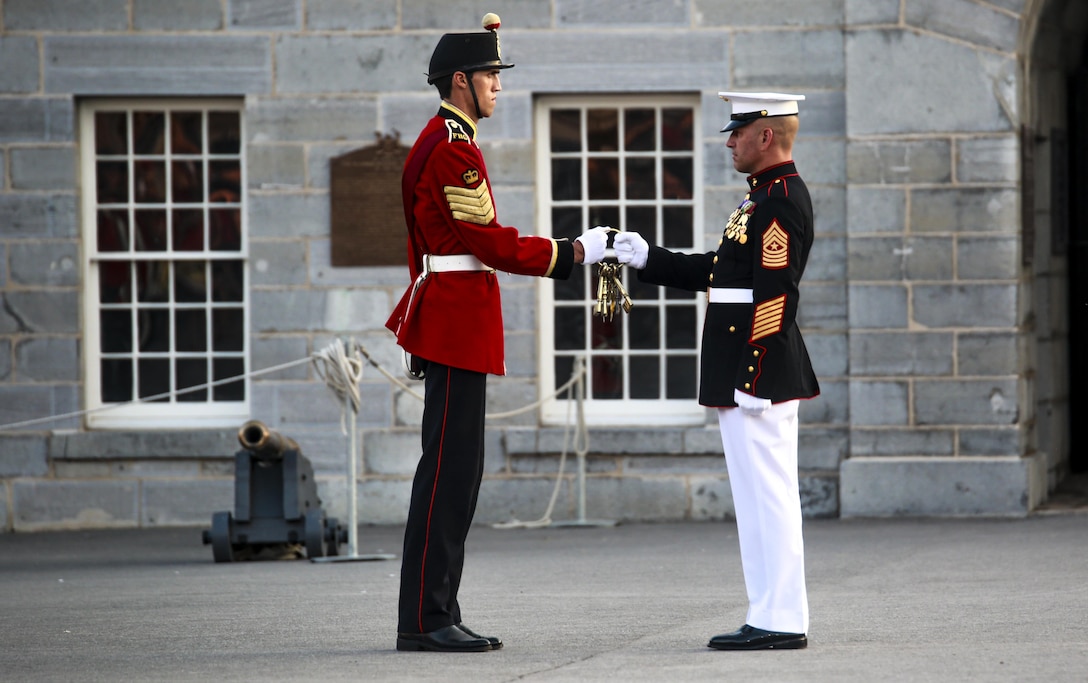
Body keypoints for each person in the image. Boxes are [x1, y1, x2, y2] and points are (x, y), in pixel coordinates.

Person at [385, 13, 609, 653]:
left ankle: (435, 611)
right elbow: (488, 242)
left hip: (452, 320)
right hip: (456, 324)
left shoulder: (446, 139)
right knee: (450, 474)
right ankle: (427, 619)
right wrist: (572, 252)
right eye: (490, 74)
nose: (498, 86)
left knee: (455, 471)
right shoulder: (452, 148)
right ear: (461, 81)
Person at [614, 91, 819, 651]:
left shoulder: (780, 201)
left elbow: (777, 295)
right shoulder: (756, 201)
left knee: (770, 497)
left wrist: (752, 379)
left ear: (766, 136)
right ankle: (767, 612)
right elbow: (720, 271)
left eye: (738, 131)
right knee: (752, 500)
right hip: (740, 371)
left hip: (760, 375)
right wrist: (647, 257)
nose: (729, 141)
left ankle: (783, 619)